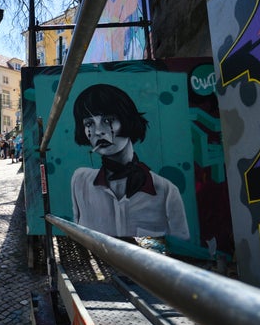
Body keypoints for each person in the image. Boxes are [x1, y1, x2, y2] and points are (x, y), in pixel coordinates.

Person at [70, 84, 190, 240]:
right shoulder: (80, 182)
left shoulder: (165, 192)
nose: (98, 131)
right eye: (89, 123)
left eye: (108, 120)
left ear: (127, 119)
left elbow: (181, 250)